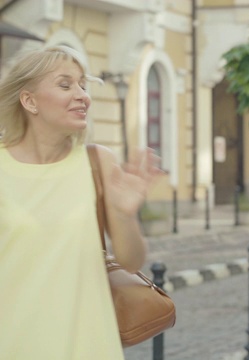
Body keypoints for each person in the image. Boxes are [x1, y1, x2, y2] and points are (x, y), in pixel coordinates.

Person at [0, 46, 162, 359]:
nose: (82, 95)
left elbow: (131, 261)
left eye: (83, 85)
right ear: (29, 100)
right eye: (65, 85)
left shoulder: (98, 162)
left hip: (89, 345)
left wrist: (126, 215)